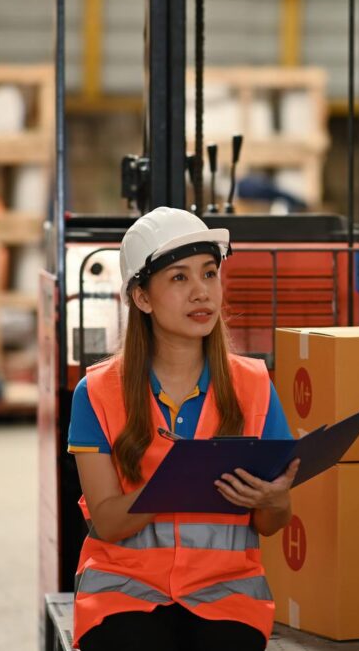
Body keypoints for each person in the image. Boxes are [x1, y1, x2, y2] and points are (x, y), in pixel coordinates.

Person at [66, 207, 297, 651]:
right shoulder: (95, 393)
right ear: (142, 298)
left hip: (225, 595)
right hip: (122, 592)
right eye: (179, 278)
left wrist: (276, 500)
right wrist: (179, 478)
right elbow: (110, 523)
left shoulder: (254, 386)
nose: (201, 293)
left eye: (209, 274)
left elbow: (271, 523)